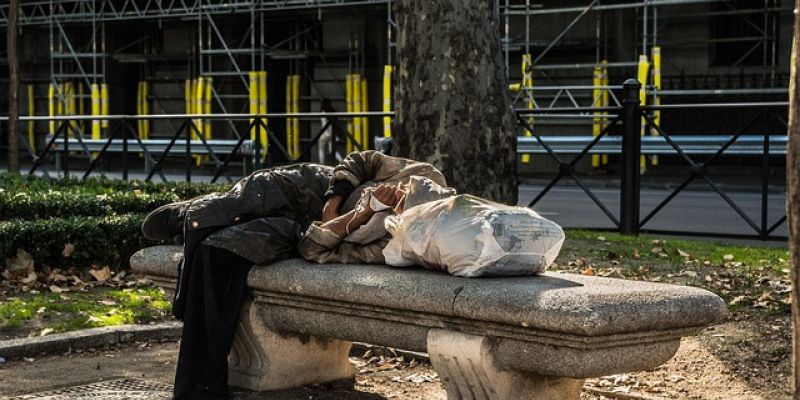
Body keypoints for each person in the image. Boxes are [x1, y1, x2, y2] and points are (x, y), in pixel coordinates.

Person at [139, 150, 447, 399]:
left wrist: (362, 214)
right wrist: (333, 203)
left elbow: (313, 249)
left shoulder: (391, 246)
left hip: (295, 232)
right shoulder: (425, 176)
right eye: (402, 191)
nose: (397, 195)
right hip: (304, 188)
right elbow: (361, 160)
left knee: (215, 252)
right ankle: (194, 216)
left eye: (401, 204)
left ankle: (191, 220)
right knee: (241, 202)